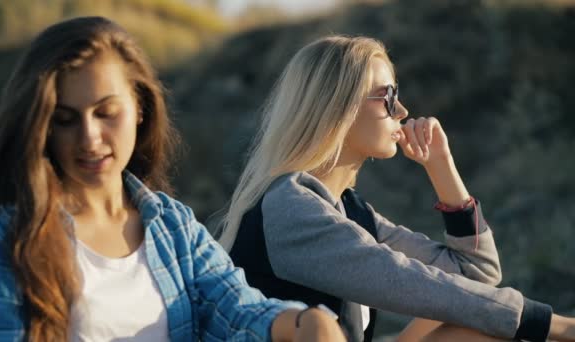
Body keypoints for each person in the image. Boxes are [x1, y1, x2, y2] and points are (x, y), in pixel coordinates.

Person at [0, 17, 346, 341]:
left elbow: (237, 309)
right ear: (42, 126)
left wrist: (304, 323)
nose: (89, 138)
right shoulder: (7, 244)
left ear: (140, 109)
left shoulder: (170, 225)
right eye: (65, 120)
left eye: (106, 112)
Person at [218, 35, 575, 341]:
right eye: (387, 97)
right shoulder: (290, 208)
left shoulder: (348, 209)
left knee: (471, 325)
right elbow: (414, 284)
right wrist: (554, 325)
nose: (401, 110)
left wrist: (441, 167)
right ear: (336, 107)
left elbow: (475, 275)